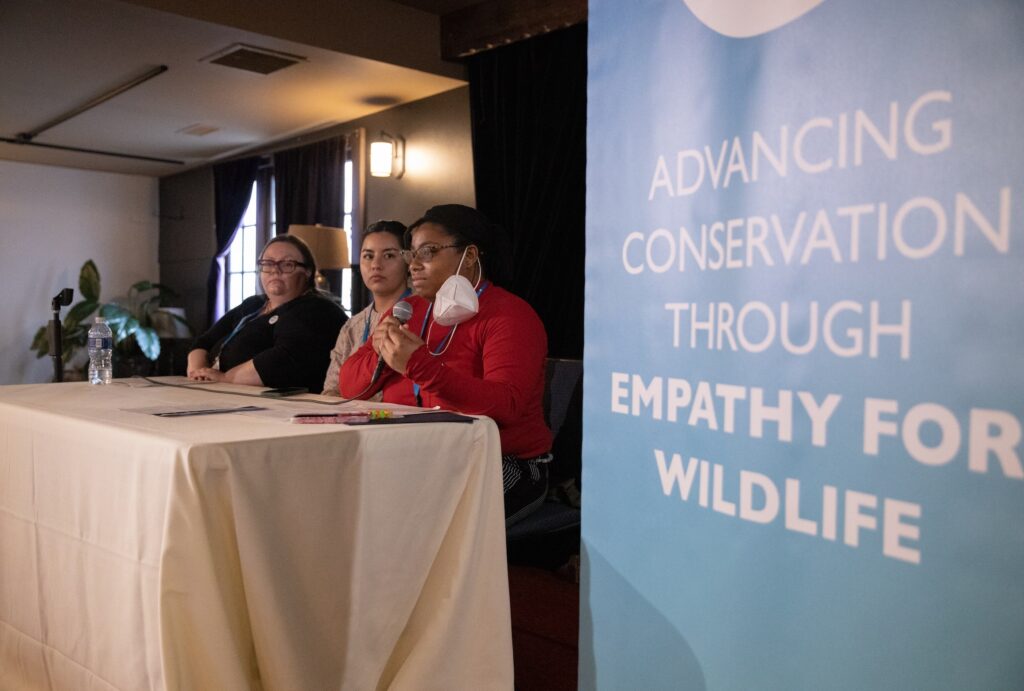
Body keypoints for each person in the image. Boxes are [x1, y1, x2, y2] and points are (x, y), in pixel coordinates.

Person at [339, 204, 552, 525]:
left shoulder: (509, 315)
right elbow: (350, 386)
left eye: (429, 252)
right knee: (337, 494)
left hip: (501, 460)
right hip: (416, 456)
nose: (415, 265)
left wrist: (420, 366)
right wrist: (382, 353)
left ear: (469, 256)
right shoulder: (406, 310)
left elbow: (505, 405)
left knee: (416, 519)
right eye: (412, 254)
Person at [188, 234, 346, 393]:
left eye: (287, 264)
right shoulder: (253, 304)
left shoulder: (317, 309)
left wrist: (225, 379)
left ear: (308, 271)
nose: (275, 271)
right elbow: (204, 342)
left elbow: (283, 359)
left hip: (280, 406)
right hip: (217, 393)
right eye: (268, 263)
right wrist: (199, 373)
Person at [322, 220, 409, 396]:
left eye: (389, 255)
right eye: (368, 256)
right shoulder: (352, 327)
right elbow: (331, 391)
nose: (376, 265)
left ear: (408, 261)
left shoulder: (426, 316)